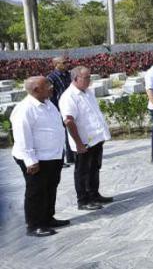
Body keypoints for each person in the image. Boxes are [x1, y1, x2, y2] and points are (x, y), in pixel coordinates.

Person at [11, 76, 70, 237]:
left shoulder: (48, 103)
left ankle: (47, 218)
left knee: (50, 187)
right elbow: (23, 137)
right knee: (36, 191)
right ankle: (34, 225)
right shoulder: (25, 109)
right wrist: (30, 161)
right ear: (36, 90)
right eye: (47, 85)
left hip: (52, 156)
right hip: (35, 159)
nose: (51, 87)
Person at [60, 66, 113, 211]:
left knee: (95, 168)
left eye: (90, 77)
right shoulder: (69, 96)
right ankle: (83, 201)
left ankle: (94, 194)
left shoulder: (87, 92)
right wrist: (79, 143)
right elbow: (69, 121)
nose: (90, 80)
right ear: (76, 79)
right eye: (87, 78)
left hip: (96, 139)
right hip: (83, 142)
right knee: (82, 171)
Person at [47, 55, 75, 168]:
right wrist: (55, 111)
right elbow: (50, 96)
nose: (67, 64)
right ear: (56, 65)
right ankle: (60, 160)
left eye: (67, 62)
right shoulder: (51, 78)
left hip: (70, 108)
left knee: (71, 132)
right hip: (58, 110)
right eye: (64, 62)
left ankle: (71, 157)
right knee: (60, 135)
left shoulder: (69, 75)